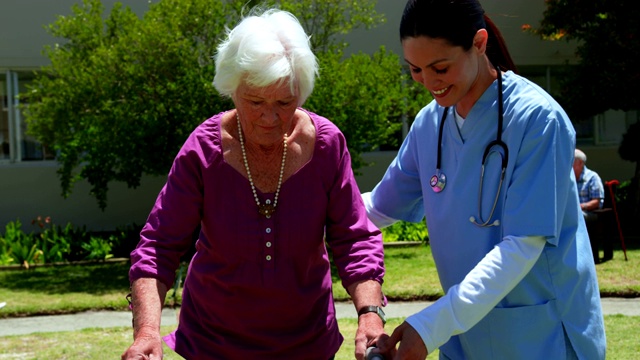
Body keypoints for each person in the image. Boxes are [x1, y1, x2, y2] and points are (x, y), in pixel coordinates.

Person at [122, 8, 386, 360]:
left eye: (284, 102)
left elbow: (354, 239)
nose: (269, 116)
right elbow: (157, 247)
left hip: (306, 344)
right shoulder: (203, 149)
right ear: (232, 89)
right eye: (255, 100)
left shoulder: (326, 146)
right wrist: (147, 332)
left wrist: (370, 315)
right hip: (213, 344)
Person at [362, 0, 606, 359]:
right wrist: (305, 215)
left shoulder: (538, 120)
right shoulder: (430, 124)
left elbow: (522, 246)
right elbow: (374, 209)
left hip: (542, 336)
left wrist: (432, 325)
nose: (429, 83)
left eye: (440, 67)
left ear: (479, 43)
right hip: (466, 337)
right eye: (414, 69)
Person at [573, 148, 609, 263]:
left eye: (571, 161)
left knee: (577, 217)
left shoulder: (592, 177)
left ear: (580, 162)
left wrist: (580, 206)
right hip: (574, 211)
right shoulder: (569, 179)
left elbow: (596, 202)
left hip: (591, 213)